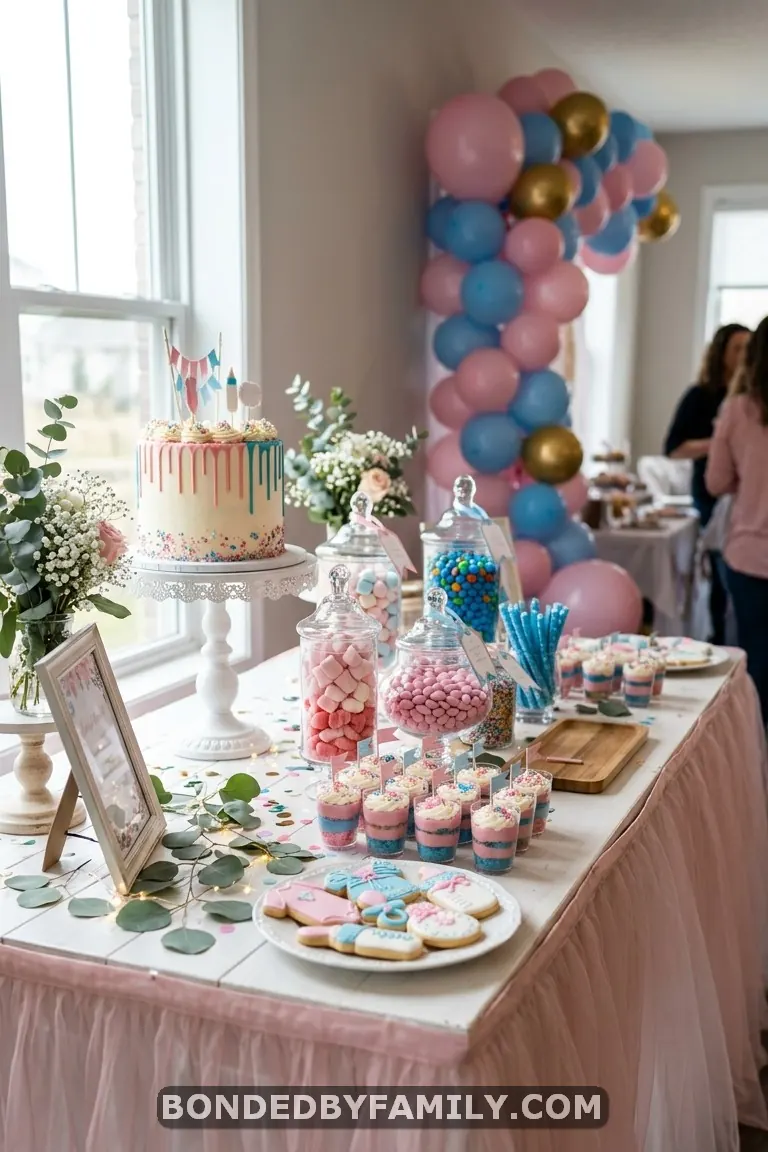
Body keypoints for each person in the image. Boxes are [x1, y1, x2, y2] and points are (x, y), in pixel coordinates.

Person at [664, 323, 750, 643]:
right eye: (737, 348)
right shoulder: (701, 396)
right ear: (721, 353)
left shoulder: (753, 398)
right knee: (720, 574)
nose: (743, 355)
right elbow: (673, 448)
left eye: (748, 349)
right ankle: (717, 637)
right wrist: (719, 442)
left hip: (749, 497)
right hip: (711, 493)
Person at [706, 317, 768, 725]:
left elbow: (717, 482)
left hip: (750, 554)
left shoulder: (738, 408)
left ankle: (755, 761)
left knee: (757, 662)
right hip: (747, 555)